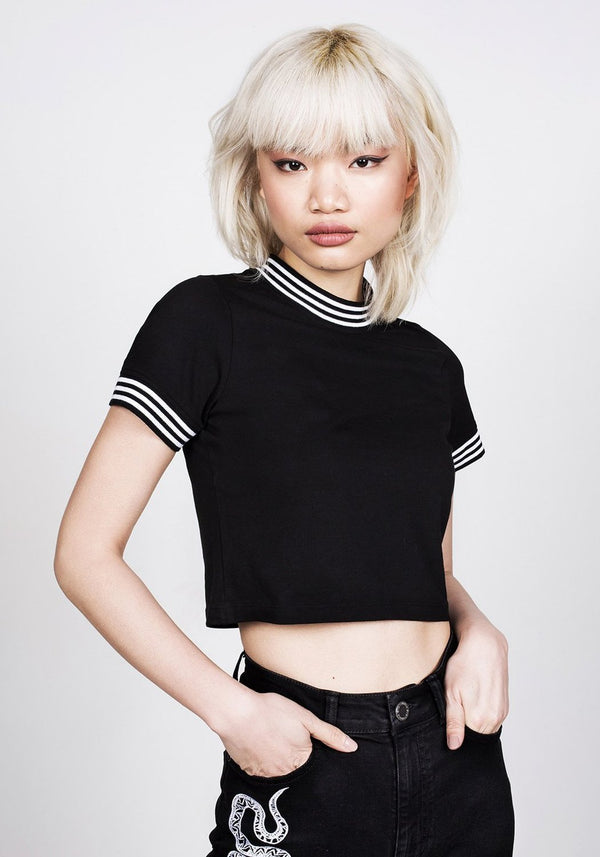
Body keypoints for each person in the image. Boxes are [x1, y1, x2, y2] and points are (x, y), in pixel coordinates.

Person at [54, 23, 515, 857]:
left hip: (457, 757)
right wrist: (229, 709)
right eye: (293, 163)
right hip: (306, 757)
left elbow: (427, 572)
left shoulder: (431, 365)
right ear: (256, 177)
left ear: (411, 175)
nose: (327, 197)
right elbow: (83, 554)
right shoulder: (204, 324)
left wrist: (480, 631)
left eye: (364, 161)